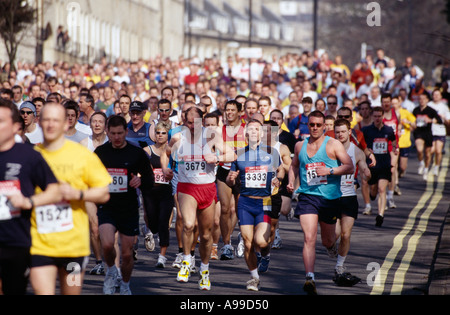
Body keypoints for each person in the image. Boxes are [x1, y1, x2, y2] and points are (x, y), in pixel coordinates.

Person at [30, 102, 111, 295]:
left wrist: (78, 194)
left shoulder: (82, 155)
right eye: (46, 120)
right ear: (39, 122)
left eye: (56, 120)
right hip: (39, 244)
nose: (50, 125)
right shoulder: (30, 156)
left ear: (66, 124)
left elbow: (104, 192)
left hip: (73, 247)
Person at [287, 110, 354, 295]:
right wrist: (291, 181)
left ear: (324, 126)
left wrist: (330, 172)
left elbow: (350, 166)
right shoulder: (300, 145)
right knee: (309, 237)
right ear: (308, 125)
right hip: (308, 196)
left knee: (327, 240)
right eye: (312, 124)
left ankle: (331, 246)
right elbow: (293, 165)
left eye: (318, 125)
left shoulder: (333, 144)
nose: (315, 127)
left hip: (330, 198)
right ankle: (310, 277)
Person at [168, 106, 235, 290]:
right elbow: (166, 153)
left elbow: (232, 154)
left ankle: (204, 270)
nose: (191, 126)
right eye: (188, 122)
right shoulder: (178, 137)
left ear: (202, 120)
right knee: (188, 224)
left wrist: (217, 158)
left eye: (195, 122)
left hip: (207, 188)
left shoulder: (211, 136)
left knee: (206, 236)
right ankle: (187, 260)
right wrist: (167, 169)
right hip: (186, 188)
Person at [0, 99, 60, 295]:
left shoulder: (30, 156)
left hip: (16, 241)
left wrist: (28, 202)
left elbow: (54, 190)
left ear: (16, 126)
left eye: (1, 121)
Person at [94, 115, 154, 295]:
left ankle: (126, 284)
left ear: (126, 132)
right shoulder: (100, 153)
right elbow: (89, 177)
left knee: (127, 254)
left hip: (128, 208)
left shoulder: (136, 153)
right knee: (106, 245)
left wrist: (140, 180)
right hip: (107, 206)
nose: (117, 137)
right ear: (107, 133)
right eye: (113, 133)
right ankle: (112, 271)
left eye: (120, 133)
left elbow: (149, 180)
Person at [226, 119, 284, 291]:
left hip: (264, 201)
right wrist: (230, 179)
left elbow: (281, 169)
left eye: (256, 129)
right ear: (246, 134)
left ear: (261, 133)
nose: (253, 132)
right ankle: (254, 277)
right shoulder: (238, 154)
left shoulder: (271, 152)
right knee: (247, 241)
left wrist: (278, 178)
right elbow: (231, 179)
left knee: (261, 241)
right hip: (245, 200)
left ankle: (265, 254)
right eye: (249, 129)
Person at [332, 118, 371, 286]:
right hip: (331, 197)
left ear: (349, 132)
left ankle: (339, 266)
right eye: (337, 132)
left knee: (346, 234)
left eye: (343, 131)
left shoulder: (356, 151)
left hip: (348, 197)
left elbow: (363, 167)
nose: (340, 134)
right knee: (332, 237)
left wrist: (366, 172)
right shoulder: (329, 149)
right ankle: (331, 248)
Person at [80, 111, 109, 275]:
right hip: (90, 189)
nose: (97, 124)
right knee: (95, 228)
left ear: (105, 125)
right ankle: (99, 261)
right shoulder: (85, 143)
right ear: (90, 124)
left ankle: (110, 261)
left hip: (109, 189)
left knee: (110, 229)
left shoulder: (110, 141)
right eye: (94, 121)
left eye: (100, 121)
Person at [216, 100, 246, 260]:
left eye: (233, 110)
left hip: (242, 172)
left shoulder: (246, 129)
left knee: (237, 209)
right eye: (227, 110)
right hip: (224, 170)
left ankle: (236, 236)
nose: (229, 113)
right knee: (225, 208)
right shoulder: (220, 131)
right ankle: (226, 244)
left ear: (239, 112)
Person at [143, 121, 174, 268]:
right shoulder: (147, 150)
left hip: (166, 191)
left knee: (163, 223)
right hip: (150, 191)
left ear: (168, 135)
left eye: (163, 133)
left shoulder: (172, 151)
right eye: (158, 132)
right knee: (153, 224)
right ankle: (149, 229)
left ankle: (162, 257)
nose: (160, 135)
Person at [362, 107, 398, 227]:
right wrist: (367, 150)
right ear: (372, 117)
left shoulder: (388, 130)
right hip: (372, 165)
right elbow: (362, 146)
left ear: (383, 116)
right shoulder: (366, 130)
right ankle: (372, 195)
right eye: (375, 116)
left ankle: (380, 215)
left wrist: (394, 149)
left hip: (384, 164)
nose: (377, 118)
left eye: (379, 116)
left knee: (382, 189)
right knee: (374, 189)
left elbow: (394, 142)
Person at [413, 93, 442, 180]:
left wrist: (430, 120)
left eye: (423, 99)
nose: (421, 101)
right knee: (419, 149)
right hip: (418, 132)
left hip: (428, 133)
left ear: (427, 100)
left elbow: (439, 120)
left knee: (428, 154)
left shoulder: (431, 110)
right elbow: (412, 119)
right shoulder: (416, 110)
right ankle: (421, 162)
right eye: (420, 99)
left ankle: (426, 168)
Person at [428, 89, 450, 177]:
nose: (436, 96)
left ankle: (436, 167)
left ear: (441, 96)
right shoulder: (428, 105)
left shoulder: (444, 107)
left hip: (440, 131)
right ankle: (429, 166)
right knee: (431, 151)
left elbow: (448, 122)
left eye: (438, 95)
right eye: (434, 95)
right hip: (430, 132)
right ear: (432, 96)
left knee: (438, 151)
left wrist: (443, 118)